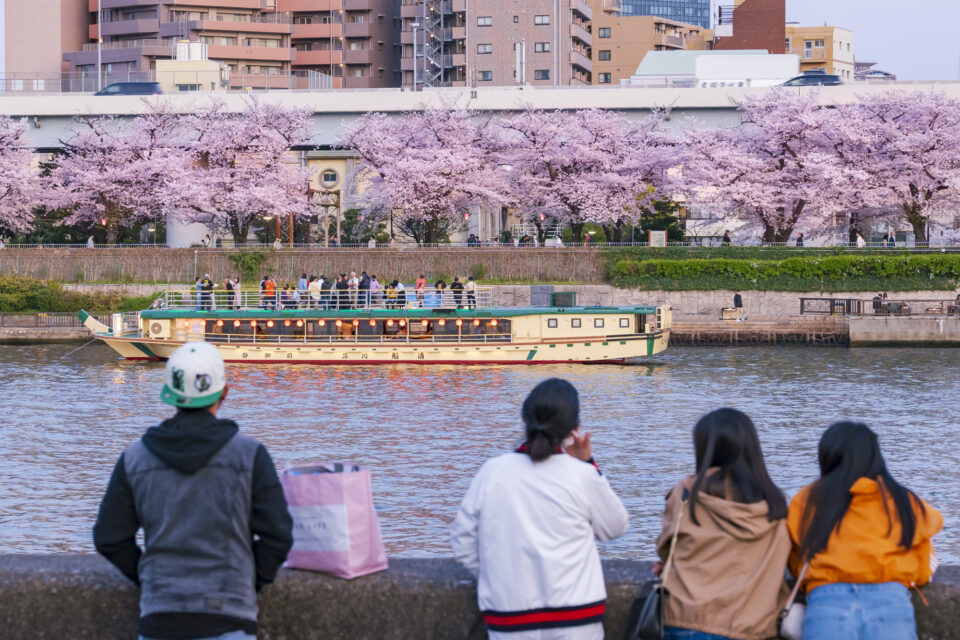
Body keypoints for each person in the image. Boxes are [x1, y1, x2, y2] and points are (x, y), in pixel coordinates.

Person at [93, 342, 293, 640]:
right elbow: (279, 535)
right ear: (224, 391)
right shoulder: (249, 455)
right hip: (230, 618)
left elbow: (109, 538)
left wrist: (151, 579)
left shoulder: (135, 458)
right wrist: (247, 582)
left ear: (170, 394)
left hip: (160, 617)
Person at [452, 378, 628, 640]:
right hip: (577, 617)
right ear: (574, 429)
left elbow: (462, 540)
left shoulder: (492, 472)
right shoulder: (581, 475)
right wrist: (589, 463)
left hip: (508, 616)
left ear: (524, 420)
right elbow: (615, 528)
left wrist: (493, 575)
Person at [788, 422, 943, 640]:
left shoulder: (807, 500)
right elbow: (924, 557)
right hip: (892, 603)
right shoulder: (905, 501)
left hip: (826, 603)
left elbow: (797, 558)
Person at [656, 408, 789, 640]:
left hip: (687, 617)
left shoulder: (687, 492)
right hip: (750, 624)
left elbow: (666, 547)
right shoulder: (774, 503)